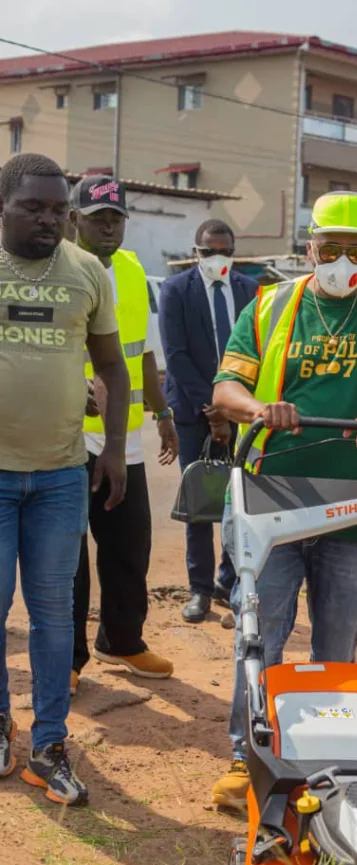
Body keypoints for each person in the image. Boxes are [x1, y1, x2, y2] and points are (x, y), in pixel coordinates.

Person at [210, 191, 357, 804]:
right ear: (310, 246)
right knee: (259, 632)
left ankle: (323, 759)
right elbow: (226, 386)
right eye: (332, 248)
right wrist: (261, 409)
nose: (343, 261)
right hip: (273, 495)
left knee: (336, 645)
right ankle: (249, 757)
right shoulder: (270, 306)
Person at [0, 154, 129, 805]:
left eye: (59, 209)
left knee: (54, 617)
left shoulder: (87, 272)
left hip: (58, 477)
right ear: (5, 206)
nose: (50, 220)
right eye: (35, 208)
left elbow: (111, 365)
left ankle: (49, 745)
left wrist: (114, 450)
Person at [70, 176, 179, 693]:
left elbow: (146, 353)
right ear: (76, 220)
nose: (108, 226)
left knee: (129, 549)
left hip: (125, 441)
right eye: (97, 218)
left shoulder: (134, 271)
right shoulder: (58, 272)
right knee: (68, 558)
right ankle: (67, 658)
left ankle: (122, 642)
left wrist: (164, 413)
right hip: (69, 440)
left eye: (115, 217)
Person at [159, 220, 258, 624]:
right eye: (208, 251)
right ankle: (199, 589)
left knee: (241, 501)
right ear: (195, 252)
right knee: (200, 502)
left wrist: (234, 408)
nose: (218, 258)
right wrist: (213, 407)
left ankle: (229, 582)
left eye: (226, 251)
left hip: (243, 409)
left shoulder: (250, 291)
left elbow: (258, 349)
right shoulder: (175, 290)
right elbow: (176, 355)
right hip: (193, 409)